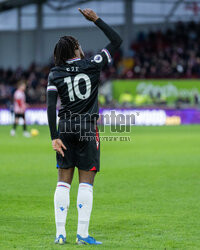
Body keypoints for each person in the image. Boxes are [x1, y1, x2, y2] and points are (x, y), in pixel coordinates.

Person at [47, 8, 122, 245]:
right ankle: (82, 234)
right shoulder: (92, 64)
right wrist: (96, 19)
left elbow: (50, 107)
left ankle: (60, 234)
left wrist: (53, 136)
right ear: (76, 49)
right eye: (78, 44)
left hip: (65, 127)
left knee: (62, 182)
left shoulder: (55, 73)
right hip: (88, 127)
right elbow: (117, 40)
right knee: (86, 183)